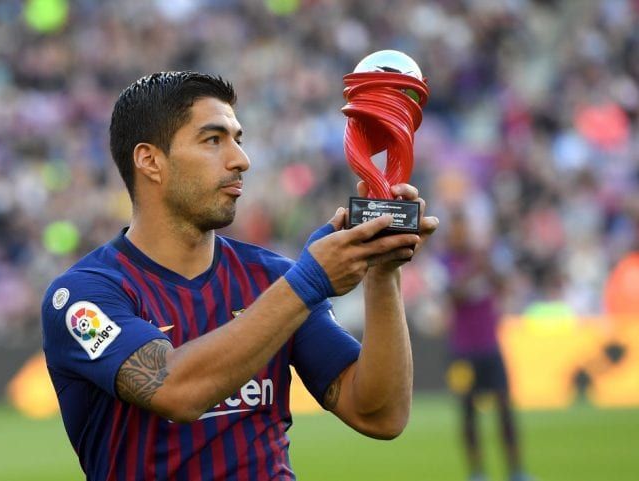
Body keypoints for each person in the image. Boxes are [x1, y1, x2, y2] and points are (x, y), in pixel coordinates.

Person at [41, 71, 438, 481]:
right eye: (213, 140)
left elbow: (380, 415)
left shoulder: (271, 278)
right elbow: (173, 390)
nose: (241, 160)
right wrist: (308, 282)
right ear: (150, 160)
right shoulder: (82, 296)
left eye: (238, 139)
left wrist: (383, 272)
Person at [441, 210, 530, 481]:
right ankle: (477, 472)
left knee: (505, 408)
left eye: (463, 229)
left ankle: (516, 470)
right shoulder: (446, 262)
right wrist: (474, 269)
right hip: (463, 350)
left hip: (490, 345)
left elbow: (504, 284)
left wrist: (487, 265)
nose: (461, 235)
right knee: (468, 411)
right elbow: (452, 295)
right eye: (456, 230)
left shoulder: (484, 258)